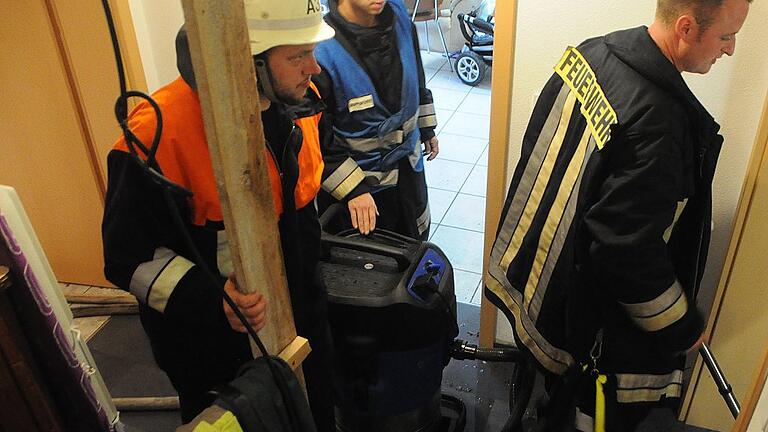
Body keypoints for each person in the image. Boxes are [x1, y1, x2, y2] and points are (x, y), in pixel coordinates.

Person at [483, 0, 751, 430]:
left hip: (538, 285)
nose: (732, 49)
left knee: (553, 395)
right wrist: (681, 324)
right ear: (686, 27)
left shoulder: (594, 53)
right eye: (725, 36)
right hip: (589, 332)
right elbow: (626, 251)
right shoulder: (660, 124)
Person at [101, 0, 336, 429]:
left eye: (312, 51)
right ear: (250, 60)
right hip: (213, 345)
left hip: (302, 318)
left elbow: (313, 179)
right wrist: (215, 302)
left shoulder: (302, 100)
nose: (314, 68)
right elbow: (126, 259)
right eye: (298, 55)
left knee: (313, 410)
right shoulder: (158, 133)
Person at [312, 0, 439, 240]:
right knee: (376, 263)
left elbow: (416, 79)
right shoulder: (321, 53)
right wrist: (353, 190)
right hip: (362, 192)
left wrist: (426, 128)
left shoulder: (401, 20)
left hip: (409, 173)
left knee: (414, 242)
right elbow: (317, 141)